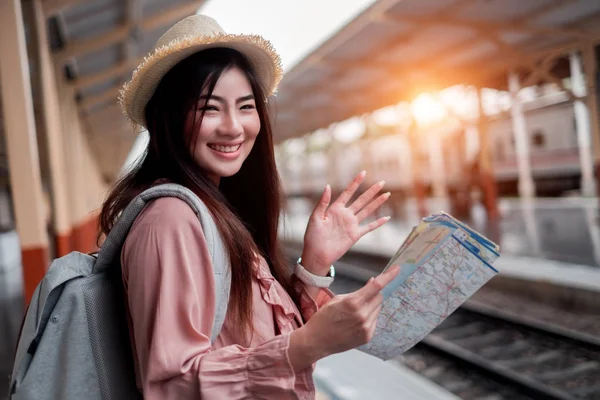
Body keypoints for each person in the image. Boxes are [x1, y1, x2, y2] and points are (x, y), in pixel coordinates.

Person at [99, 14, 400, 399]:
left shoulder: (213, 210)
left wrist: (314, 265)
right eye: (209, 108)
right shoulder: (170, 220)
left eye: (245, 106)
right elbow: (171, 385)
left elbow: (250, 331)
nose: (234, 127)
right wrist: (309, 343)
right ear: (168, 119)